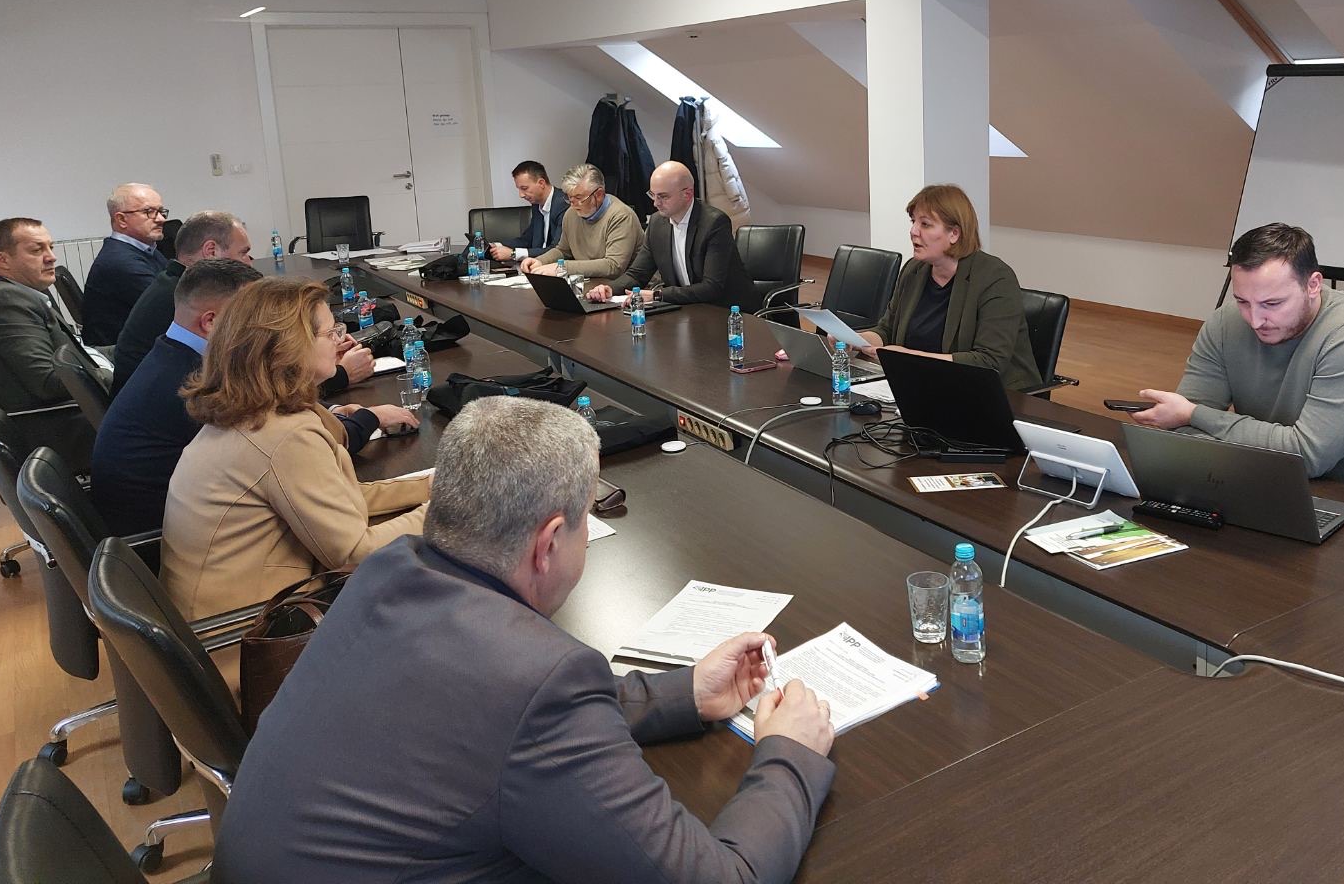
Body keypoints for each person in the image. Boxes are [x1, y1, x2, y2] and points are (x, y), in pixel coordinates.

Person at [213, 397, 836, 883]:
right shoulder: (536, 676)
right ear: (549, 543)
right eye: (585, 522)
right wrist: (788, 751)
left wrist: (686, 693)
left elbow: (494, 715)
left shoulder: (387, 572)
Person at [159, 278, 431, 646]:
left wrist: (430, 487)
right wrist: (445, 511)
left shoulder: (250, 409)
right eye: (330, 332)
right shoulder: (283, 435)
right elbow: (355, 553)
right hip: (249, 638)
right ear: (288, 348)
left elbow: (337, 498)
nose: (342, 340)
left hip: (214, 620)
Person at [93, 264, 417, 538]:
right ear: (212, 322)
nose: (270, 331)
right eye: (252, 318)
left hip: (192, 535)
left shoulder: (178, 358)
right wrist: (363, 418)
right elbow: (288, 446)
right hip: (164, 540)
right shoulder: (194, 383)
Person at [1131, 222, 1344, 486]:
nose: (1255, 320)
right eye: (1242, 301)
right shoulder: (1225, 324)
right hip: (1280, 478)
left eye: (1272, 304)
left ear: (1313, 285)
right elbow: (1185, 434)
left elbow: (1306, 456)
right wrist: (1192, 420)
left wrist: (1195, 414)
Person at [858, 184, 1043, 393]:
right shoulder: (914, 270)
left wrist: (907, 358)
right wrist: (856, 340)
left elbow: (989, 361)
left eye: (925, 224)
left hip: (994, 395)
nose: (913, 231)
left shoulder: (995, 278)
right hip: (926, 385)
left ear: (954, 234)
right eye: (913, 222)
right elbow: (887, 330)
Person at [0, 218, 98, 470]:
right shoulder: (4, 300)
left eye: (50, 247)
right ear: (2, 260)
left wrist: (128, 354)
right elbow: (47, 383)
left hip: (66, 416)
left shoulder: (19, 294)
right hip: (56, 428)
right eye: (36, 250)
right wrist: (111, 373)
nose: (51, 257)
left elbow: (74, 356)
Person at [111, 210, 252, 395]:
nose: (248, 263)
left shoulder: (172, 282)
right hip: (164, 400)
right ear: (211, 251)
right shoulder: (185, 299)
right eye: (243, 253)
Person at [586, 160, 759, 309]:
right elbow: (637, 274)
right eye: (652, 195)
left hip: (728, 311)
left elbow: (711, 287)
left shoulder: (714, 223)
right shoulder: (657, 223)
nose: (655, 203)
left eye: (663, 196)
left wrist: (657, 295)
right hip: (687, 309)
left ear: (687, 194)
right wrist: (610, 289)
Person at [521, 163, 643, 280]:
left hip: (624, 286)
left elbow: (614, 266)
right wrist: (540, 261)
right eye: (569, 197)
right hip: (590, 283)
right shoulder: (571, 213)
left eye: (579, 198)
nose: (573, 204)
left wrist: (563, 268)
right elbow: (563, 250)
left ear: (599, 195)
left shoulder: (621, 216)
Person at [82, 182, 169, 345]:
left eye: (161, 211)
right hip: (124, 354)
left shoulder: (145, 250)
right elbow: (174, 308)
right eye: (149, 212)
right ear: (121, 219)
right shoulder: (120, 262)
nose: (161, 219)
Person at [487, 159, 568, 262]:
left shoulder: (563, 204)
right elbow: (527, 240)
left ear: (541, 183)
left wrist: (513, 254)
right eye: (519, 189)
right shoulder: (536, 204)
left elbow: (557, 250)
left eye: (524, 188)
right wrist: (496, 246)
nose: (521, 195)